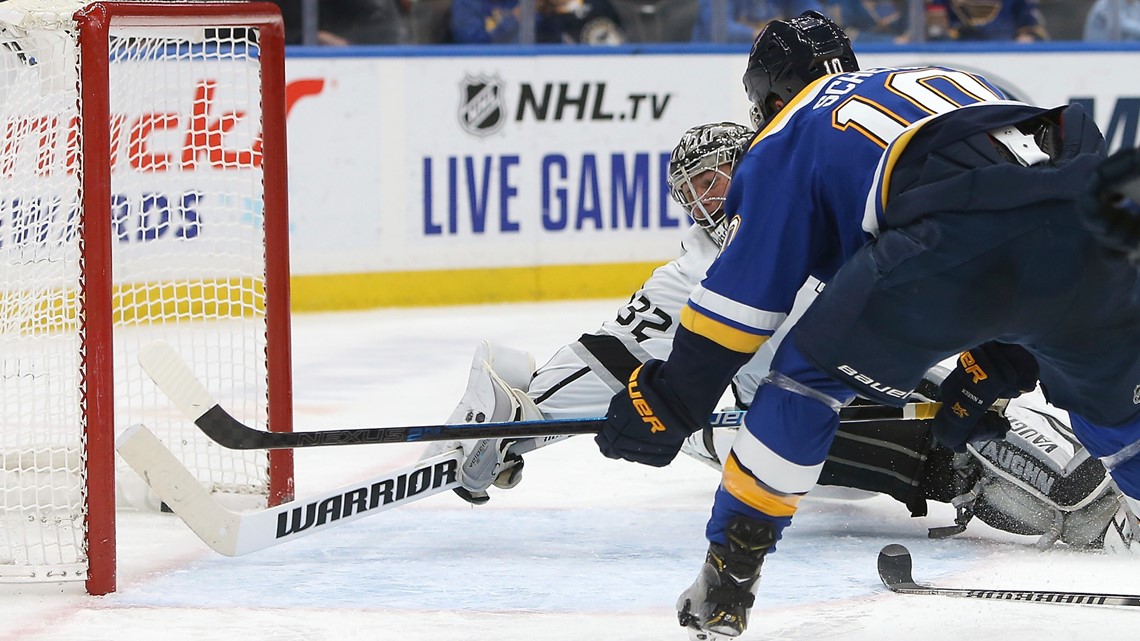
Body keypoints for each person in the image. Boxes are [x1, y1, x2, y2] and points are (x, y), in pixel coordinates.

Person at [593, 10, 1140, 640]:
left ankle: (729, 576)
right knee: (1118, 413)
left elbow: (737, 309)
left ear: (770, 94)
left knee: (804, 383)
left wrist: (669, 400)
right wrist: (1005, 359)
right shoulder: (944, 74)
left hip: (944, 249)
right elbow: (1027, 208)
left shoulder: (788, 133)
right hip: (1086, 227)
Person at [423, 122, 1132, 557]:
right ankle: (1059, 508)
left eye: (716, 176)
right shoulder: (691, 270)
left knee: (1007, 426)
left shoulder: (817, 211)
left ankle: (1108, 501)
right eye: (692, 190)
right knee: (946, 459)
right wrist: (521, 426)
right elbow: (607, 356)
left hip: (879, 376)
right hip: (775, 420)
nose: (708, 199)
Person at [450, 0, 626, 44]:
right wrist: (516, 18)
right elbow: (471, 45)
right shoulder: (468, 3)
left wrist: (549, 12)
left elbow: (551, 43)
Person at [691, 0, 823, 42]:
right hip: (713, 59)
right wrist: (765, 33)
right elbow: (719, 29)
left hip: (771, 59)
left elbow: (815, 15)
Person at [927, 0, 1048, 41]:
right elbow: (935, 28)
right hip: (956, 51)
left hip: (1003, 52)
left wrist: (1026, 39)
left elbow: (1030, 28)